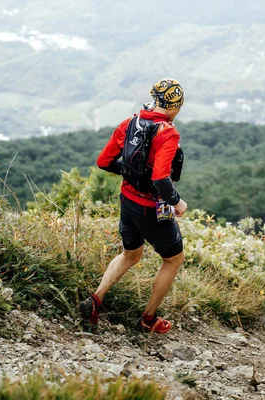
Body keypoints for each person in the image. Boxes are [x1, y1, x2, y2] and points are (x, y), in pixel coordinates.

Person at [80, 78, 188, 334]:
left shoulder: (130, 123)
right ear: (175, 106)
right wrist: (177, 202)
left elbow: (104, 161)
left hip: (128, 202)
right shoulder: (168, 133)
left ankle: (95, 301)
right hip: (152, 209)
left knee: (131, 254)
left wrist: (130, 173)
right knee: (173, 260)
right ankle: (148, 320)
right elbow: (161, 178)